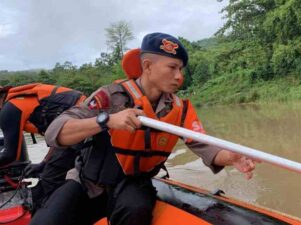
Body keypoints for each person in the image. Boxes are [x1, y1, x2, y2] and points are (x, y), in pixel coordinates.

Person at [30, 32, 258, 225]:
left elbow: (204, 146)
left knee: (136, 209)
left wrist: (230, 157)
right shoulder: (110, 96)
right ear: (147, 66)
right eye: (172, 67)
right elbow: (54, 132)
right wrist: (106, 120)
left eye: (181, 69)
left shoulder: (181, 110)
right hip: (88, 183)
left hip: (132, 183)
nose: (179, 76)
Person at [0, 83, 86, 212]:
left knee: (49, 181)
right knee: (51, 172)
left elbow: (10, 155)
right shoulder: (21, 101)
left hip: (81, 126)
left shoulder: (10, 108)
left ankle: (47, 216)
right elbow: (56, 137)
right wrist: (44, 162)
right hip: (83, 123)